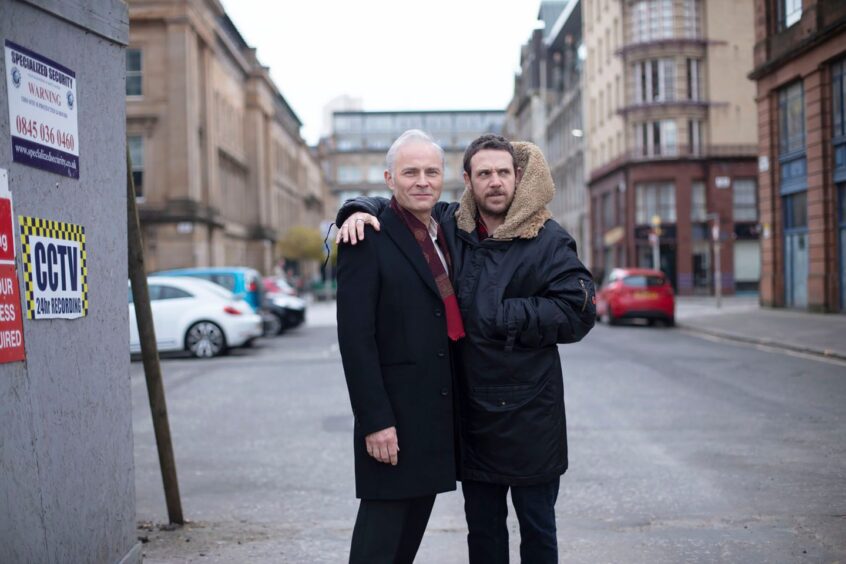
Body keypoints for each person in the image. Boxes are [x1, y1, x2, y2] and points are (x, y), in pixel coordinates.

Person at [336, 134, 596, 564]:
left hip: (530, 413)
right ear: (469, 182)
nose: (495, 182)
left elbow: (578, 311)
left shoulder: (549, 238)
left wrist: (499, 315)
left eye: (503, 173)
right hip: (473, 414)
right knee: (484, 531)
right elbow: (399, 208)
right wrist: (355, 208)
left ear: (519, 178)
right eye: (484, 174)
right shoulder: (453, 226)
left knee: (537, 529)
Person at [335, 129, 465, 564]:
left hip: (435, 418)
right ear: (390, 178)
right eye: (411, 172)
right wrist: (375, 421)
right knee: (378, 546)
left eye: (432, 171)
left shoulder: (445, 226)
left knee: (406, 545)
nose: (422, 180)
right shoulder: (365, 237)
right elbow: (355, 340)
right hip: (392, 420)